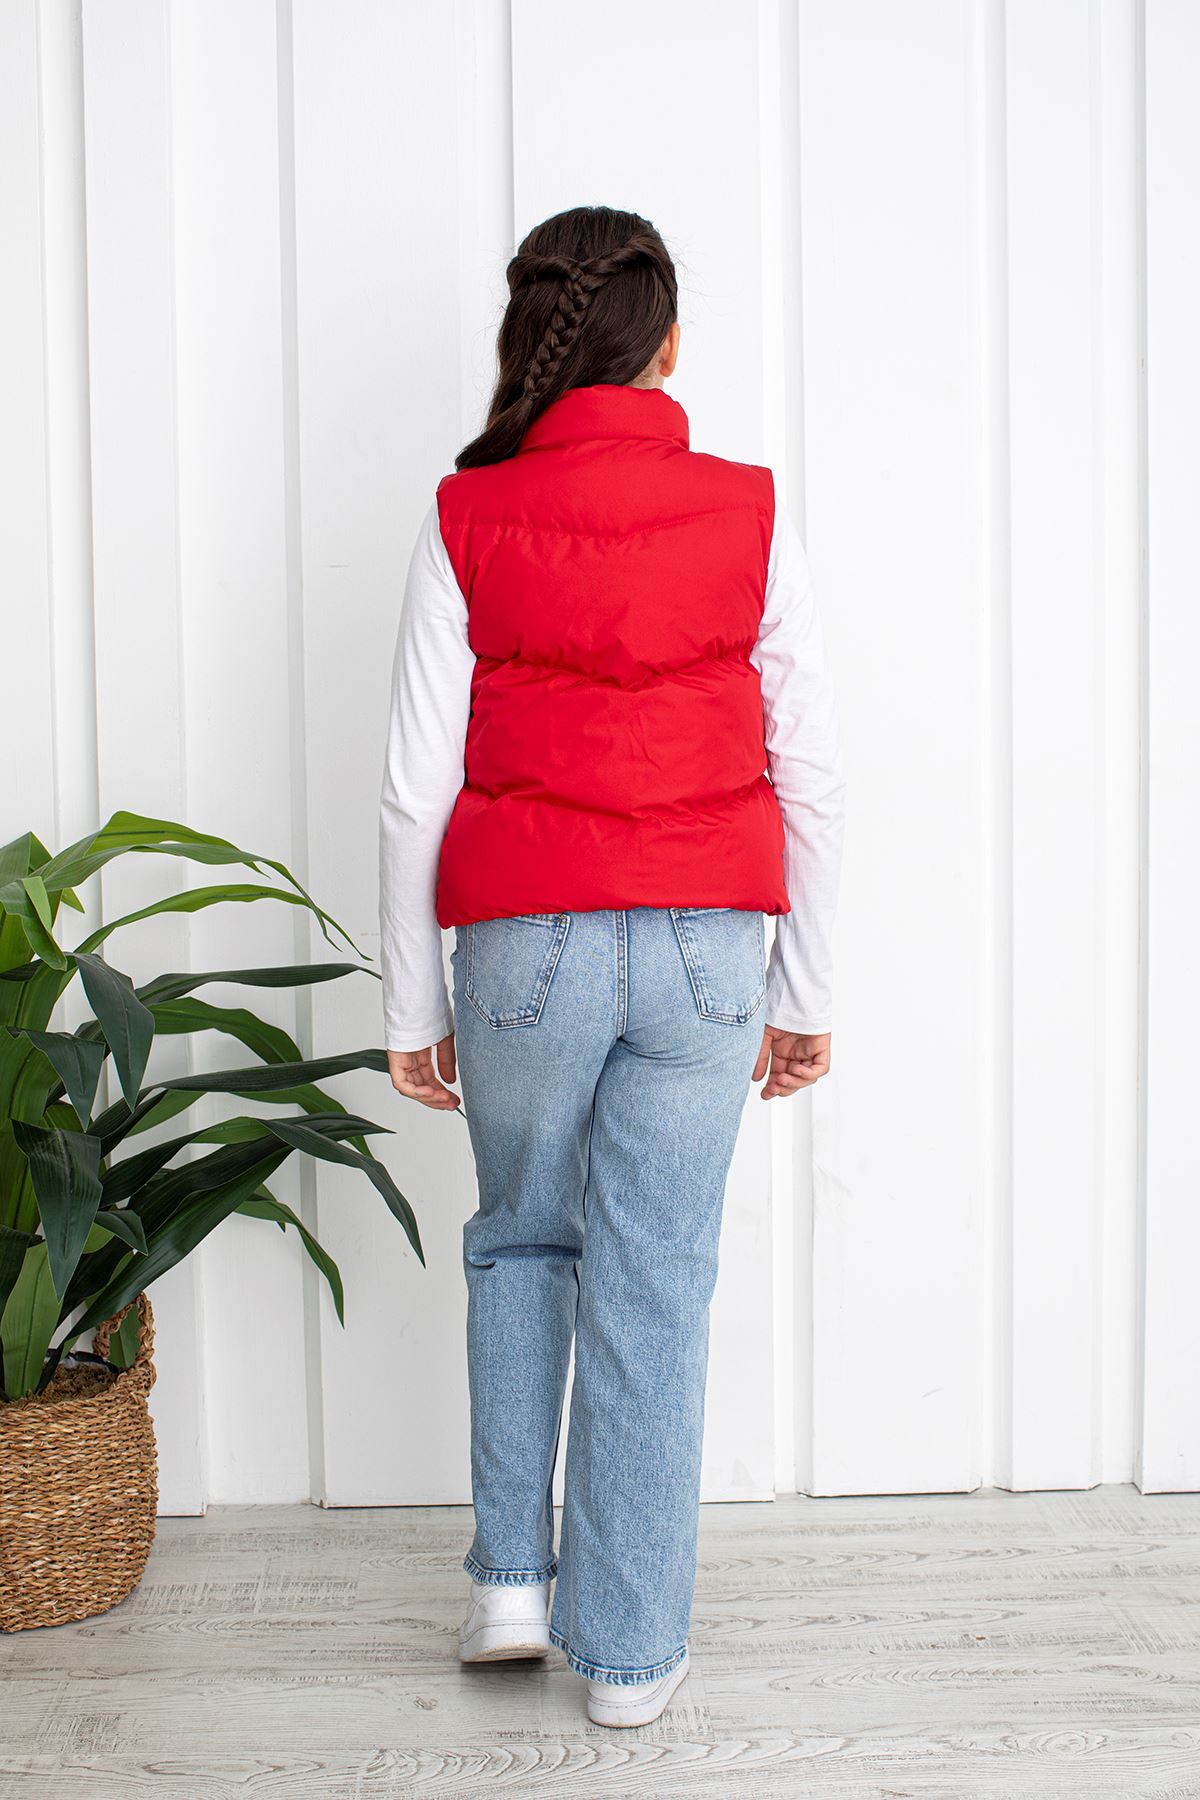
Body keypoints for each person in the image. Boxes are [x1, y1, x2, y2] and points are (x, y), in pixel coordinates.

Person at [378, 204, 846, 1729]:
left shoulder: (469, 513)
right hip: (709, 942)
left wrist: (411, 1001)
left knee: (523, 1240)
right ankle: (632, 1662)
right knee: (656, 1277)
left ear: (536, 341)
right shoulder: (749, 512)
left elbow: (413, 788)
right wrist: (805, 988)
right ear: (669, 347)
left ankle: (511, 1588)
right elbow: (814, 768)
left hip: (525, 944)